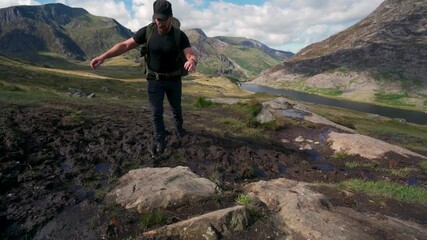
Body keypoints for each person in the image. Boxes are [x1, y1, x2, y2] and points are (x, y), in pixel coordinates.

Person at [90, 0, 197, 156]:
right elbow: (125, 45)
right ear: (154, 18)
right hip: (154, 80)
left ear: (171, 18)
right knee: (156, 113)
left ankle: (179, 129)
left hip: (174, 80)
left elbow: (190, 53)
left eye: (164, 19)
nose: (160, 23)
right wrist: (102, 57)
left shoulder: (179, 35)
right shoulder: (147, 32)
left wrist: (192, 61)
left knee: (176, 109)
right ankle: (161, 141)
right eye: (158, 19)